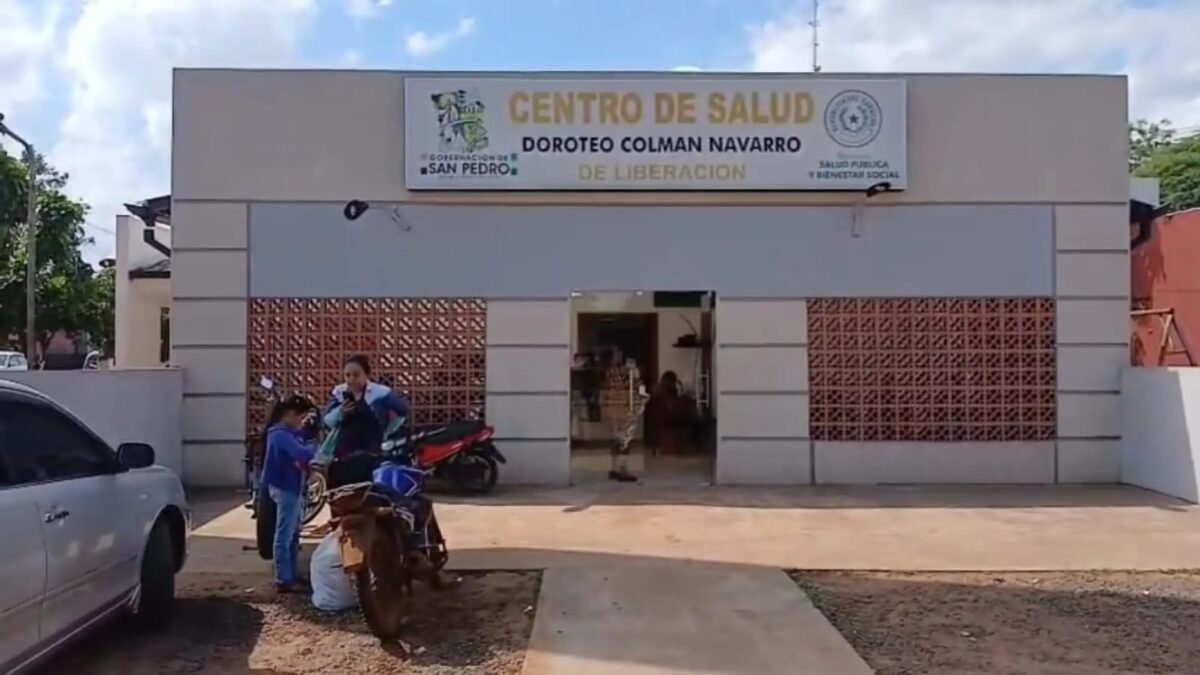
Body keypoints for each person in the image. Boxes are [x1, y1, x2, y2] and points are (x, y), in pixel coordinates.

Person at [321, 355, 412, 484]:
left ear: (367, 374)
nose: (351, 380)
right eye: (347, 375)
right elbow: (327, 420)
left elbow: (403, 411)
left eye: (356, 375)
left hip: (371, 452)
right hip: (343, 453)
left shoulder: (380, 394)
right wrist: (340, 412)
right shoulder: (340, 394)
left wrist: (388, 429)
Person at [261, 394, 319, 593]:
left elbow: (300, 438)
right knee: (284, 535)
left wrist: (308, 431)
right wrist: (313, 444)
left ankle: (291, 574)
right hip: (285, 488)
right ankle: (283, 579)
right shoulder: (279, 434)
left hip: (291, 487)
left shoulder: (285, 432)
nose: (301, 422)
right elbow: (302, 453)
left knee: (293, 535)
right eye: (300, 418)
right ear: (290, 414)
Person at [600, 347, 646, 482]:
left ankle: (616, 468)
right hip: (621, 408)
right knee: (624, 441)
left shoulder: (612, 372)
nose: (619, 356)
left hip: (616, 408)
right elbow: (635, 385)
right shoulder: (617, 372)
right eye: (617, 354)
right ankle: (622, 469)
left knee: (618, 440)